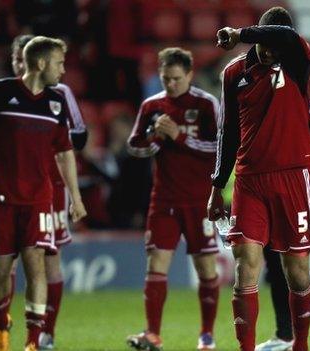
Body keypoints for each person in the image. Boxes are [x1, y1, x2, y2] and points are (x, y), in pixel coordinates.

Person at [0, 36, 86, 351]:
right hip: (1, 199)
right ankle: (1, 331)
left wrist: (75, 195)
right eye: (59, 63)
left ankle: (33, 342)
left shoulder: (56, 102)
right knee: (1, 269)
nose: (63, 70)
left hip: (39, 200)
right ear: (42, 62)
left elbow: (65, 152)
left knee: (36, 267)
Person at [208, 7, 310, 351]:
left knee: (297, 270)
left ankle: (300, 344)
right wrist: (216, 185)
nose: (270, 52)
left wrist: (241, 34)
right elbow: (228, 134)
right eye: (264, 45)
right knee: (246, 265)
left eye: (274, 45)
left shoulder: (296, 59)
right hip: (250, 180)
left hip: (291, 177)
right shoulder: (234, 73)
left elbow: (284, 37)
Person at [126, 47, 220, 351]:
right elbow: (134, 147)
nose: (171, 85)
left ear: (190, 75)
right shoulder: (151, 105)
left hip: (199, 201)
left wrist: (179, 136)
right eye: (166, 79)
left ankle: (206, 334)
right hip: (164, 198)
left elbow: (219, 149)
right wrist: (156, 138)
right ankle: (152, 333)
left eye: (177, 79)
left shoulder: (206, 104)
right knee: (156, 265)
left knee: (206, 268)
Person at [256, 98, 310, 351]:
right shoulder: (250, 95)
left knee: (290, 258)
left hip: (297, 185)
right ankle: (284, 334)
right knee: (274, 263)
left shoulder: (290, 93)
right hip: (266, 186)